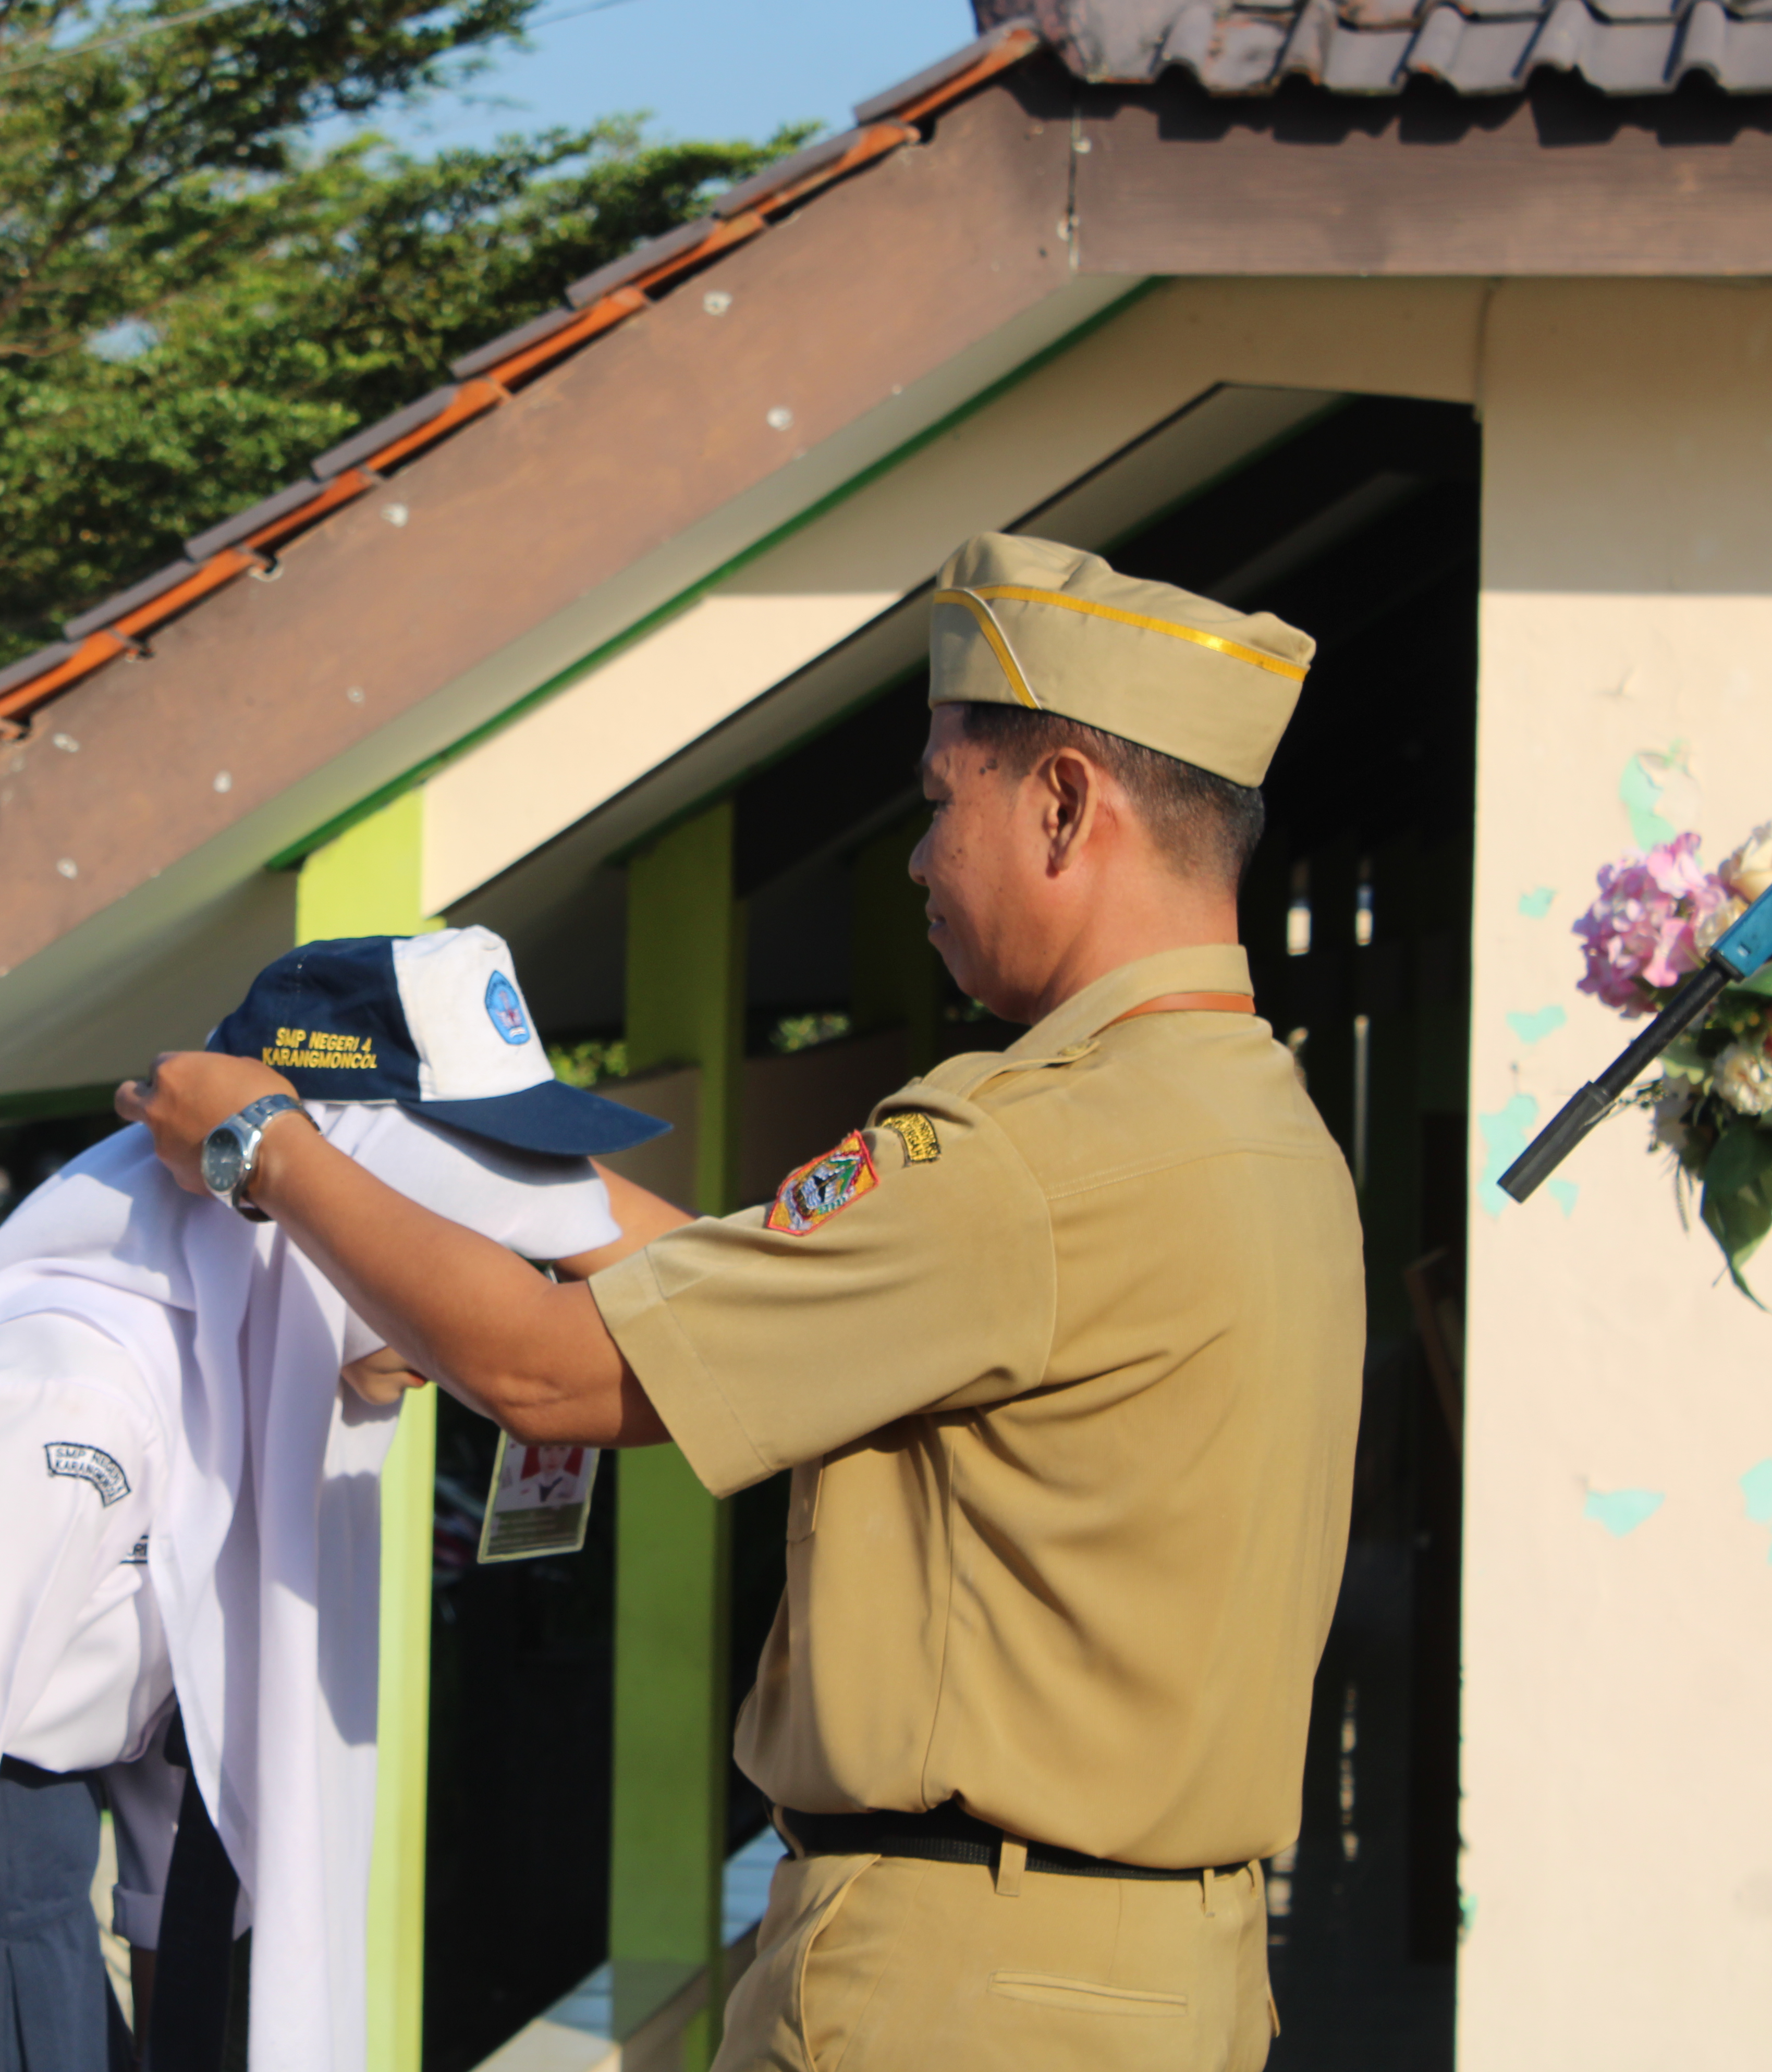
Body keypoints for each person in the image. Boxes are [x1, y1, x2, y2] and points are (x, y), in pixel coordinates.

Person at [117, 534, 1361, 2072]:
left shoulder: (1023, 1152)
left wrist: (265, 1148)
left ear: (1060, 803)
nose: (917, 859)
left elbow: (556, 1379)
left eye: (938, 801)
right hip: (1170, 1971)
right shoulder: (1262, 1128)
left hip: (966, 1982)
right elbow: (762, 1290)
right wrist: (512, 1190)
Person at [0, 927, 673, 2072]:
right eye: (452, 1246)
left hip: (32, 1918)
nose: (480, 1306)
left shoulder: (231, 1380)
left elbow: (180, 1783)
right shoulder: (75, 1395)